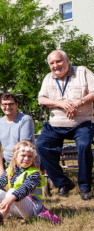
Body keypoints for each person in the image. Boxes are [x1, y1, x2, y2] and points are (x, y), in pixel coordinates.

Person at [36, 50, 94, 200]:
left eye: (59, 61)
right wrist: (59, 103)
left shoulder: (82, 72)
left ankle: (85, 186)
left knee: (84, 145)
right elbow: (41, 99)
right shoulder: (48, 78)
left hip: (81, 123)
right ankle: (63, 183)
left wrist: (78, 103)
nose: (56, 65)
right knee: (41, 145)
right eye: (52, 63)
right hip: (56, 124)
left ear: (67, 60)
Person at [0, 93, 35, 175]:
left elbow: (23, 146)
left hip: (24, 163)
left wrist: (11, 168)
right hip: (7, 163)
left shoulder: (25, 120)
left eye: (11, 104)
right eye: (5, 104)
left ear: (16, 105)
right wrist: (0, 169)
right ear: (1, 106)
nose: (7, 107)